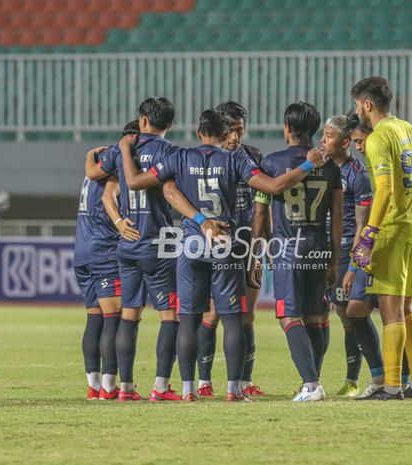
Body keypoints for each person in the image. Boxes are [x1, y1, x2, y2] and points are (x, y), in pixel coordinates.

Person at [124, 108, 327, 401]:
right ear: (224, 135)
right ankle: (234, 390)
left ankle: (188, 390)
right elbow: (272, 186)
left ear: (198, 133)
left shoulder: (180, 157)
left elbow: (137, 183)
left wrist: (124, 150)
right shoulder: (235, 159)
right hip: (226, 244)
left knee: (189, 319)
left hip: (191, 244)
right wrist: (307, 166)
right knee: (234, 319)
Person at [85, 100, 225, 402]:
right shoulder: (170, 152)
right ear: (170, 124)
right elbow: (171, 192)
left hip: (127, 245)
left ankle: (124, 388)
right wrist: (201, 219)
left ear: (143, 120)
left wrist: (119, 221)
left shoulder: (120, 149)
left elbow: (96, 177)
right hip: (158, 244)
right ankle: (161, 387)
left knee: (129, 316)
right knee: (170, 317)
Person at [350, 76, 412, 400]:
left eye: (357, 106)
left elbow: (386, 189)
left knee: (391, 312)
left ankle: (392, 387)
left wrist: (368, 235)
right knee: (408, 310)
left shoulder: (378, 139)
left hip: (392, 232)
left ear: (367, 105)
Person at [250, 102, 342, 402]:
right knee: (316, 317)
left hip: (288, 250)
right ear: (314, 131)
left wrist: (256, 250)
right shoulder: (329, 166)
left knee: (289, 317)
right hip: (318, 247)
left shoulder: (273, 163)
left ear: (287, 127)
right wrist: (333, 258)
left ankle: (311, 383)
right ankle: (313, 380)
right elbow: (337, 217)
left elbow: (261, 213)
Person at [195, 100, 266, 398]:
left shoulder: (254, 157)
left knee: (246, 315)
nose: (236, 136)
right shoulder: (205, 159)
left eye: (240, 129)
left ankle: (245, 381)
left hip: (247, 241)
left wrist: (261, 248)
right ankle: (203, 381)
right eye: (231, 130)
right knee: (211, 315)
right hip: (215, 240)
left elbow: (264, 206)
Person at [319, 115, 385, 398]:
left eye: (329, 135)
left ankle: (360, 378)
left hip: (347, 252)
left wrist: (352, 268)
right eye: (323, 134)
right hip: (322, 249)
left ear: (345, 143)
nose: (323, 140)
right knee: (331, 315)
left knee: (351, 313)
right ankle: (320, 380)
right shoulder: (318, 168)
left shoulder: (357, 176)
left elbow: (362, 225)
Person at [74, 123, 139, 400]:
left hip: (82, 252)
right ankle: (109, 388)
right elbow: (108, 197)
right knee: (113, 320)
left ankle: (93, 385)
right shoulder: (116, 169)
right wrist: (119, 222)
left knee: (94, 319)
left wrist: (89, 155)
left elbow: (90, 170)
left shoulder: (95, 168)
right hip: (104, 252)